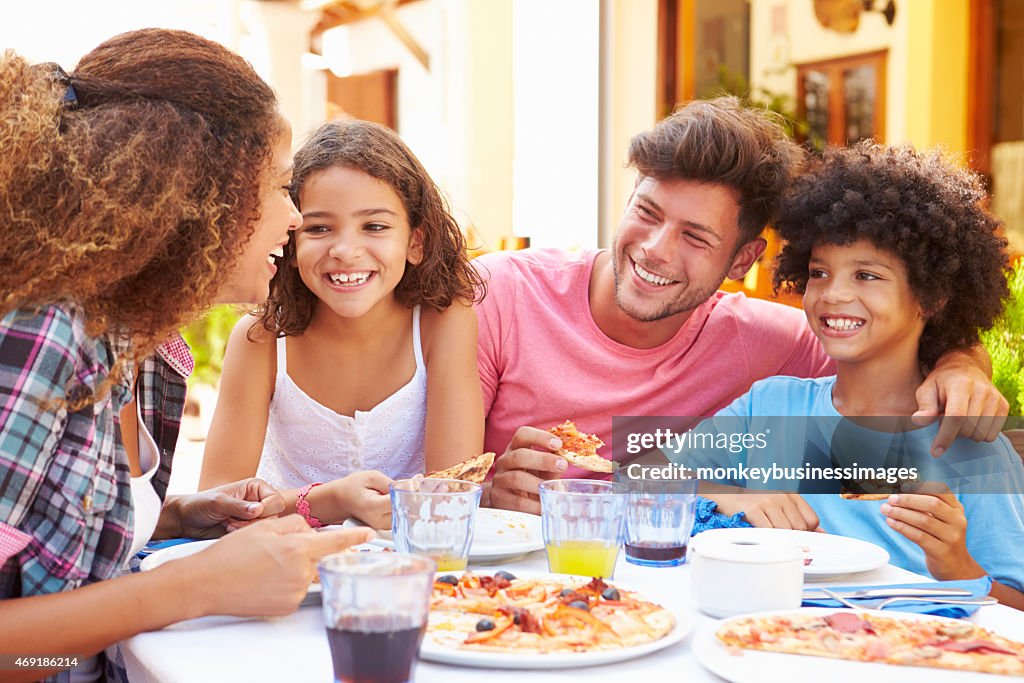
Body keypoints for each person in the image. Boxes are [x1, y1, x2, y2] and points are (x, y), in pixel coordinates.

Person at [0, 30, 372, 681]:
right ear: (201, 200)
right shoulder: (47, 334)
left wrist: (177, 519)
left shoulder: (146, 347)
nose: (293, 216)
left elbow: (51, 558)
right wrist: (195, 585)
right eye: (279, 187)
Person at [478, 97, 1009, 515]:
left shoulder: (775, 343)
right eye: (647, 211)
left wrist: (962, 362)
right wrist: (486, 495)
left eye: (696, 237)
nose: (656, 248)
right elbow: (432, 487)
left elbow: (893, 348)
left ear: (743, 260)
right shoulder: (499, 293)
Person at [688, 142, 1024, 609]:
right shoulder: (770, 406)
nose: (834, 294)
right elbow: (652, 479)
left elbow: (1015, 606)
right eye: (820, 272)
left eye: (867, 275)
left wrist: (955, 564)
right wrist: (733, 496)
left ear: (932, 296)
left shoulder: (971, 443)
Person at [199, 119, 485, 530]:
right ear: (291, 242)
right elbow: (218, 506)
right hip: (287, 569)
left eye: (374, 226)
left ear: (415, 242)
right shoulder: (261, 340)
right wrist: (329, 501)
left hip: (413, 566)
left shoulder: (443, 324)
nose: (346, 250)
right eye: (319, 228)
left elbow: (451, 494)